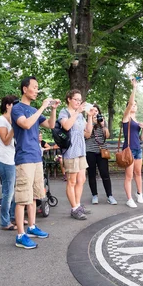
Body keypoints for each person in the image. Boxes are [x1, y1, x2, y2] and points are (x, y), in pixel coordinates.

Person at [11, 76, 57, 248]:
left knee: (35, 196)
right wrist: (43, 107)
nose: (37, 90)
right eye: (34, 87)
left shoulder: (34, 110)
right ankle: (20, 235)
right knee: (22, 197)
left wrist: (52, 109)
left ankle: (31, 226)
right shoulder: (17, 108)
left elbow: (51, 125)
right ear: (25, 89)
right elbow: (25, 125)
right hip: (24, 158)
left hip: (37, 156)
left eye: (38, 87)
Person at [59, 89, 91, 219]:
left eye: (80, 100)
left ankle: (77, 205)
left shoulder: (80, 115)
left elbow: (88, 133)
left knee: (81, 179)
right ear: (69, 99)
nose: (78, 102)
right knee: (71, 181)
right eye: (76, 99)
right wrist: (77, 112)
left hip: (81, 151)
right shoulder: (64, 112)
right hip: (70, 151)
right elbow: (66, 126)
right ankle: (74, 208)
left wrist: (89, 116)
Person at [84, 104, 116, 205]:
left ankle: (109, 195)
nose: (95, 113)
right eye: (93, 111)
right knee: (92, 174)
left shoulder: (102, 122)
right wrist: (92, 123)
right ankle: (94, 195)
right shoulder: (86, 122)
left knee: (105, 174)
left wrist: (103, 125)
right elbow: (87, 136)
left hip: (102, 151)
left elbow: (107, 135)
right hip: (90, 151)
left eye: (96, 111)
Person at [122, 78, 143, 208]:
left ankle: (139, 193)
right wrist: (134, 88)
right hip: (129, 149)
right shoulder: (126, 117)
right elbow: (131, 101)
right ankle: (129, 198)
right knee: (129, 175)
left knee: (138, 173)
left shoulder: (137, 120)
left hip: (138, 148)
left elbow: (141, 138)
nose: (134, 106)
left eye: (136, 105)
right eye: (132, 104)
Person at [0, 95, 18, 230]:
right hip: (5, 160)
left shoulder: (10, 120)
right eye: (14, 104)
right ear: (8, 105)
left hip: (14, 159)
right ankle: (5, 221)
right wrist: (14, 127)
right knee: (8, 193)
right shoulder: (1, 121)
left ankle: (14, 217)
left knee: (15, 191)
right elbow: (6, 141)